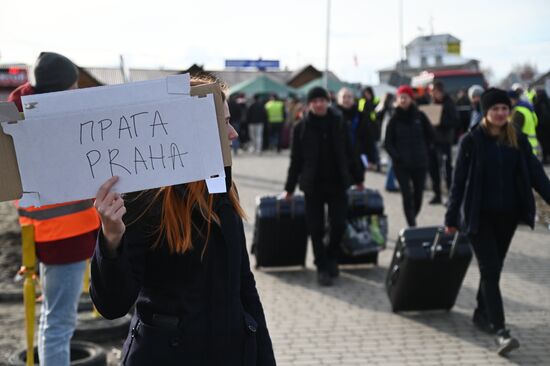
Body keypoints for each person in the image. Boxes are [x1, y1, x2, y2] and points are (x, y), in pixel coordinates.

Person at [90, 76, 276, 366]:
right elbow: (112, 305)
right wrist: (111, 239)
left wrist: (264, 358)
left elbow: (244, 284)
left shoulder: (222, 189)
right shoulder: (143, 198)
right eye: (223, 123)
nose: (234, 133)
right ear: (191, 129)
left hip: (232, 353)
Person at [8, 52, 100, 366]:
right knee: (59, 323)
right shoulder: (54, 122)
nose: (77, 92)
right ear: (60, 90)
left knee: (54, 319)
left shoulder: (20, 118)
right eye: (73, 86)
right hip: (66, 238)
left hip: (52, 235)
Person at [445, 88, 550, 356]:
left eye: (505, 108)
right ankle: (501, 331)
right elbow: (458, 183)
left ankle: (482, 312)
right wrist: (451, 217)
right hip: (479, 218)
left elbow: (537, 174)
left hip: (507, 217)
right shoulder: (472, 141)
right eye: (495, 109)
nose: (501, 113)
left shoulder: (518, 140)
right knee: (491, 271)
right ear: (485, 112)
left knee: (494, 268)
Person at [283, 86, 364, 287]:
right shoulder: (301, 127)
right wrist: (289, 188)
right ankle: (322, 266)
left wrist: (359, 177)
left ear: (328, 101)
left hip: (338, 183)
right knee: (315, 228)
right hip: (313, 185)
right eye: (315, 101)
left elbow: (351, 151)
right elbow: (295, 160)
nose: (319, 104)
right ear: (309, 104)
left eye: (322, 100)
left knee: (339, 224)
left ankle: (331, 257)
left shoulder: (338, 123)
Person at [384, 85, 435, 227]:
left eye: (406, 97)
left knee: (418, 195)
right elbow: (387, 142)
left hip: (420, 162)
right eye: (401, 97)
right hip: (402, 165)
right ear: (397, 99)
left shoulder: (420, 116)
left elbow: (431, 135)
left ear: (411, 99)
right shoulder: (394, 119)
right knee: (406, 195)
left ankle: (413, 216)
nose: (403, 100)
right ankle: (412, 225)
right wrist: (396, 157)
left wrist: (426, 151)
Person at [428, 81, 459, 204]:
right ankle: (437, 194)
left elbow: (456, 121)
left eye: (435, 92)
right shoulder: (432, 103)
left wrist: (440, 121)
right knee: (433, 169)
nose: (433, 95)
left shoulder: (449, 104)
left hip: (444, 141)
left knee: (446, 170)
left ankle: (451, 196)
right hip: (433, 141)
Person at [336, 87, 368, 172]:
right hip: (337, 158)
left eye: (349, 97)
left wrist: (371, 157)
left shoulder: (361, 116)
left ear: (353, 99)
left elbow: (367, 137)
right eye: (344, 97)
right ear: (338, 99)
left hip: (357, 156)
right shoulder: (332, 115)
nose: (346, 99)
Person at [509, 90, 541, 158]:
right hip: (532, 146)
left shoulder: (518, 112)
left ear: (513, 99)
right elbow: (536, 122)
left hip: (523, 148)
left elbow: (514, 131)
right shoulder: (528, 108)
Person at [533, 89, 550, 164]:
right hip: (546, 126)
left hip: (541, 127)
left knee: (544, 143)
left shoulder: (537, 103)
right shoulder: (547, 100)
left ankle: (545, 158)